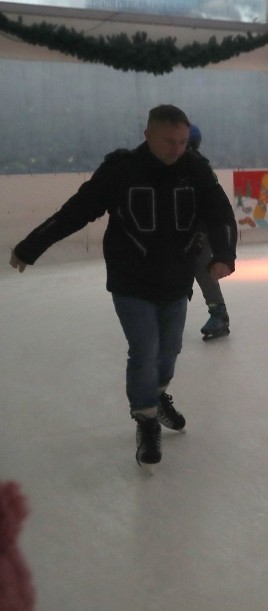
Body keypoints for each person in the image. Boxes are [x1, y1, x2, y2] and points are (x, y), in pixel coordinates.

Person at [9, 105, 237, 471]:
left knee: (170, 349)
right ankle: (146, 419)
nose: (178, 149)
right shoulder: (122, 170)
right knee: (144, 348)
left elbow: (220, 213)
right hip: (131, 279)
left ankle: (158, 396)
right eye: (169, 141)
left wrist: (224, 253)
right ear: (148, 135)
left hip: (175, 278)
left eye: (182, 142)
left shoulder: (195, 170)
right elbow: (76, 211)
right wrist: (31, 246)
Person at [187, 124, 231, 341]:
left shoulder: (198, 168)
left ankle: (219, 314)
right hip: (184, 234)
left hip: (199, 234)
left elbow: (214, 207)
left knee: (204, 272)